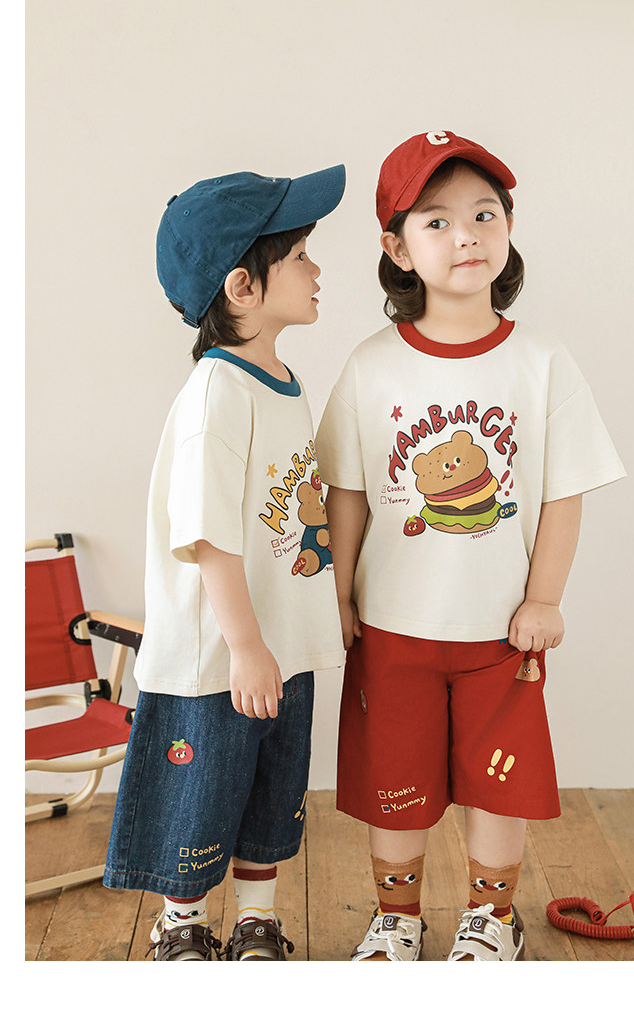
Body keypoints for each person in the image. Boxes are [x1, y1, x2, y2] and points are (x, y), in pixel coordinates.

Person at [315, 131, 625, 962]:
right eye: (438, 222)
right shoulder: (371, 366)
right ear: (398, 249)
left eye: (485, 215)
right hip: (392, 625)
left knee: (500, 781)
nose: (467, 236)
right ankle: (397, 918)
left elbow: (563, 490)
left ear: (509, 228)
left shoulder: (543, 361)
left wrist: (545, 597)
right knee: (395, 783)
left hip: (501, 634)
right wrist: (337, 595)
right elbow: (347, 493)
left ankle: (491, 918)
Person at [104, 164, 347, 961]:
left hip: (280, 640)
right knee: (201, 791)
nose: (317, 269)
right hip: (222, 656)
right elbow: (208, 536)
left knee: (270, 791)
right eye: (301, 256)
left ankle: (256, 918)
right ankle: (181, 922)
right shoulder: (218, 394)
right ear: (243, 286)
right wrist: (244, 646)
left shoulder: (281, 382)